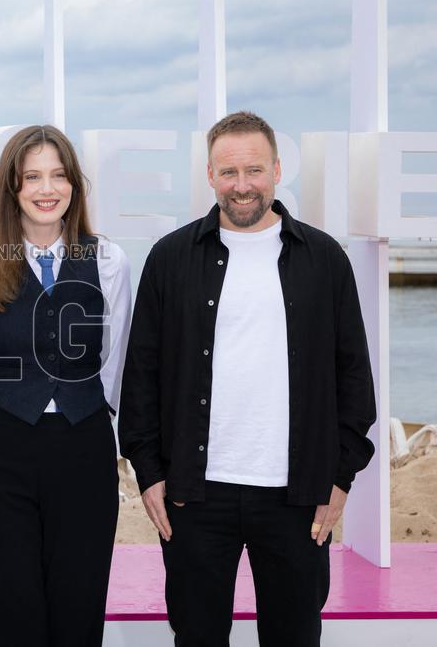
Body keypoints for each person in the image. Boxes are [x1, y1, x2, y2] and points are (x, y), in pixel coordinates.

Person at [118, 111, 377, 646]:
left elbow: (353, 377)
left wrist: (340, 476)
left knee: (294, 637)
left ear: (278, 170)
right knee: (196, 636)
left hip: (298, 499)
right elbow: (141, 373)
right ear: (210, 175)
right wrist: (149, 472)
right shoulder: (170, 258)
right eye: (228, 172)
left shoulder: (324, 258)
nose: (242, 186)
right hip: (194, 497)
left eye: (254, 170)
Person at [0, 124, 132, 645]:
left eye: (58, 175)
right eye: (32, 177)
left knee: (78, 608)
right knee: (10, 612)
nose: (46, 189)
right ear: (11, 187)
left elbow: (115, 359)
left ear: (74, 185)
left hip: (84, 447)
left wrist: (111, 437)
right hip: (2, 451)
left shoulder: (109, 261)